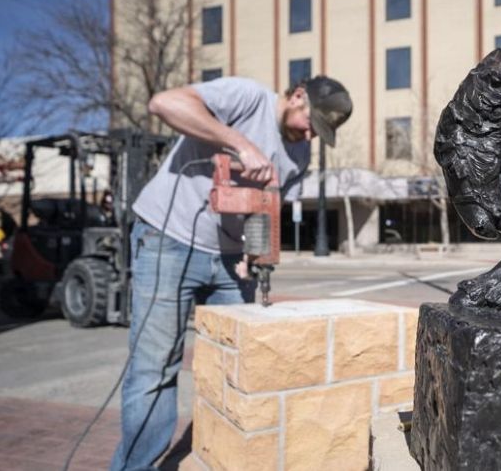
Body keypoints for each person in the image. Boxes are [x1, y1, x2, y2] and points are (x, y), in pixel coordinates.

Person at [111, 75, 352, 470]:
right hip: (166, 240)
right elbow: (163, 103)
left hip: (229, 259)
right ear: (297, 96)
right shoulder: (246, 97)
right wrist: (242, 144)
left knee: (237, 364)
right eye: (312, 122)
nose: (310, 135)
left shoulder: (300, 156)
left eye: (320, 132)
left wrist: (254, 254)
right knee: (155, 368)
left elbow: (267, 208)